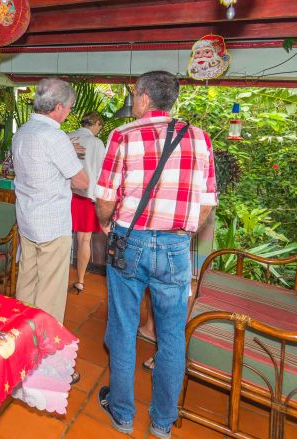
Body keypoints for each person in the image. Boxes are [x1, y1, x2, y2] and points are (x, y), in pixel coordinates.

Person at [94, 71, 217, 438]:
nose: (133, 101)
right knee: (172, 336)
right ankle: (162, 423)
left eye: (134, 94)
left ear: (144, 97)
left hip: (129, 240)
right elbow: (207, 203)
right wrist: (180, 233)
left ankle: (122, 414)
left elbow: (105, 198)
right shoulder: (199, 137)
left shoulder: (123, 135)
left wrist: (106, 223)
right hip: (175, 246)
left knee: (123, 327)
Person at [13, 77, 89, 325]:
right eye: (69, 108)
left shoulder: (23, 131)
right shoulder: (55, 137)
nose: (68, 113)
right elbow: (82, 182)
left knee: (27, 281)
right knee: (50, 291)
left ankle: (21, 330)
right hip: (52, 225)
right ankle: (45, 339)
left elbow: (39, 165)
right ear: (58, 107)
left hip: (28, 219)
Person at [68, 112, 106, 294]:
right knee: (84, 239)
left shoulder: (66, 137)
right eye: (100, 126)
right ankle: (80, 280)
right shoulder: (96, 143)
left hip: (65, 194)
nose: (99, 130)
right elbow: (102, 172)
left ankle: (58, 276)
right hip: (85, 196)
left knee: (62, 238)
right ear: (96, 123)